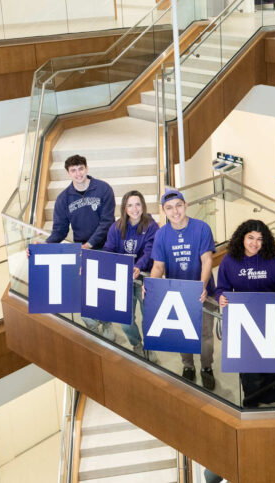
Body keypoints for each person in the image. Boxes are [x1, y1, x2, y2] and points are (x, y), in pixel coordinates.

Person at [216, 219, 275, 408]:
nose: (254, 243)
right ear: (242, 238)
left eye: (259, 239)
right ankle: (251, 399)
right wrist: (221, 297)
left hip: (270, 317)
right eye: (250, 238)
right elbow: (222, 288)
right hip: (243, 318)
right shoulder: (230, 260)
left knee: (270, 360)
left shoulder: (274, 261)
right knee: (248, 364)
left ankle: (269, 397)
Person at [150, 188, 217, 390]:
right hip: (177, 293)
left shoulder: (202, 228)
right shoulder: (161, 234)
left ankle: (206, 367)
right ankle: (188, 366)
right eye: (169, 208)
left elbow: (207, 261)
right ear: (164, 211)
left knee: (205, 335)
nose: (175, 211)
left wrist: (201, 286)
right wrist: (153, 286)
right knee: (183, 333)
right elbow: (158, 266)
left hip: (203, 292)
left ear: (186, 205)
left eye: (179, 205)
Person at [46, 154, 115, 340]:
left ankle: (107, 323)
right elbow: (59, 230)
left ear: (86, 168)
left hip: (104, 246)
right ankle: (93, 322)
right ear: (68, 173)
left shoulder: (103, 189)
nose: (78, 173)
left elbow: (107, 221)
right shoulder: (63, 199)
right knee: (84, 291)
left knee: (103, 290)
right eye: (73, 170)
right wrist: (44, 247)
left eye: (81, 169)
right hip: (81, 248)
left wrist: (90, 244)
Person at [102, 190, 157, 356]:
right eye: (130, 205)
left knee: (148, 318)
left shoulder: (151, 226)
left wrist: (138, 266)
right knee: (124, 320)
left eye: (138, 204)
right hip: (123, 279)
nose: (134, 209)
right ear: (125, 208)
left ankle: (149, 347)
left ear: (143, 206)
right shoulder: (116, 227)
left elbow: (149, 251)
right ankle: (137, 344)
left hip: (144, 278)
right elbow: (109, 249)